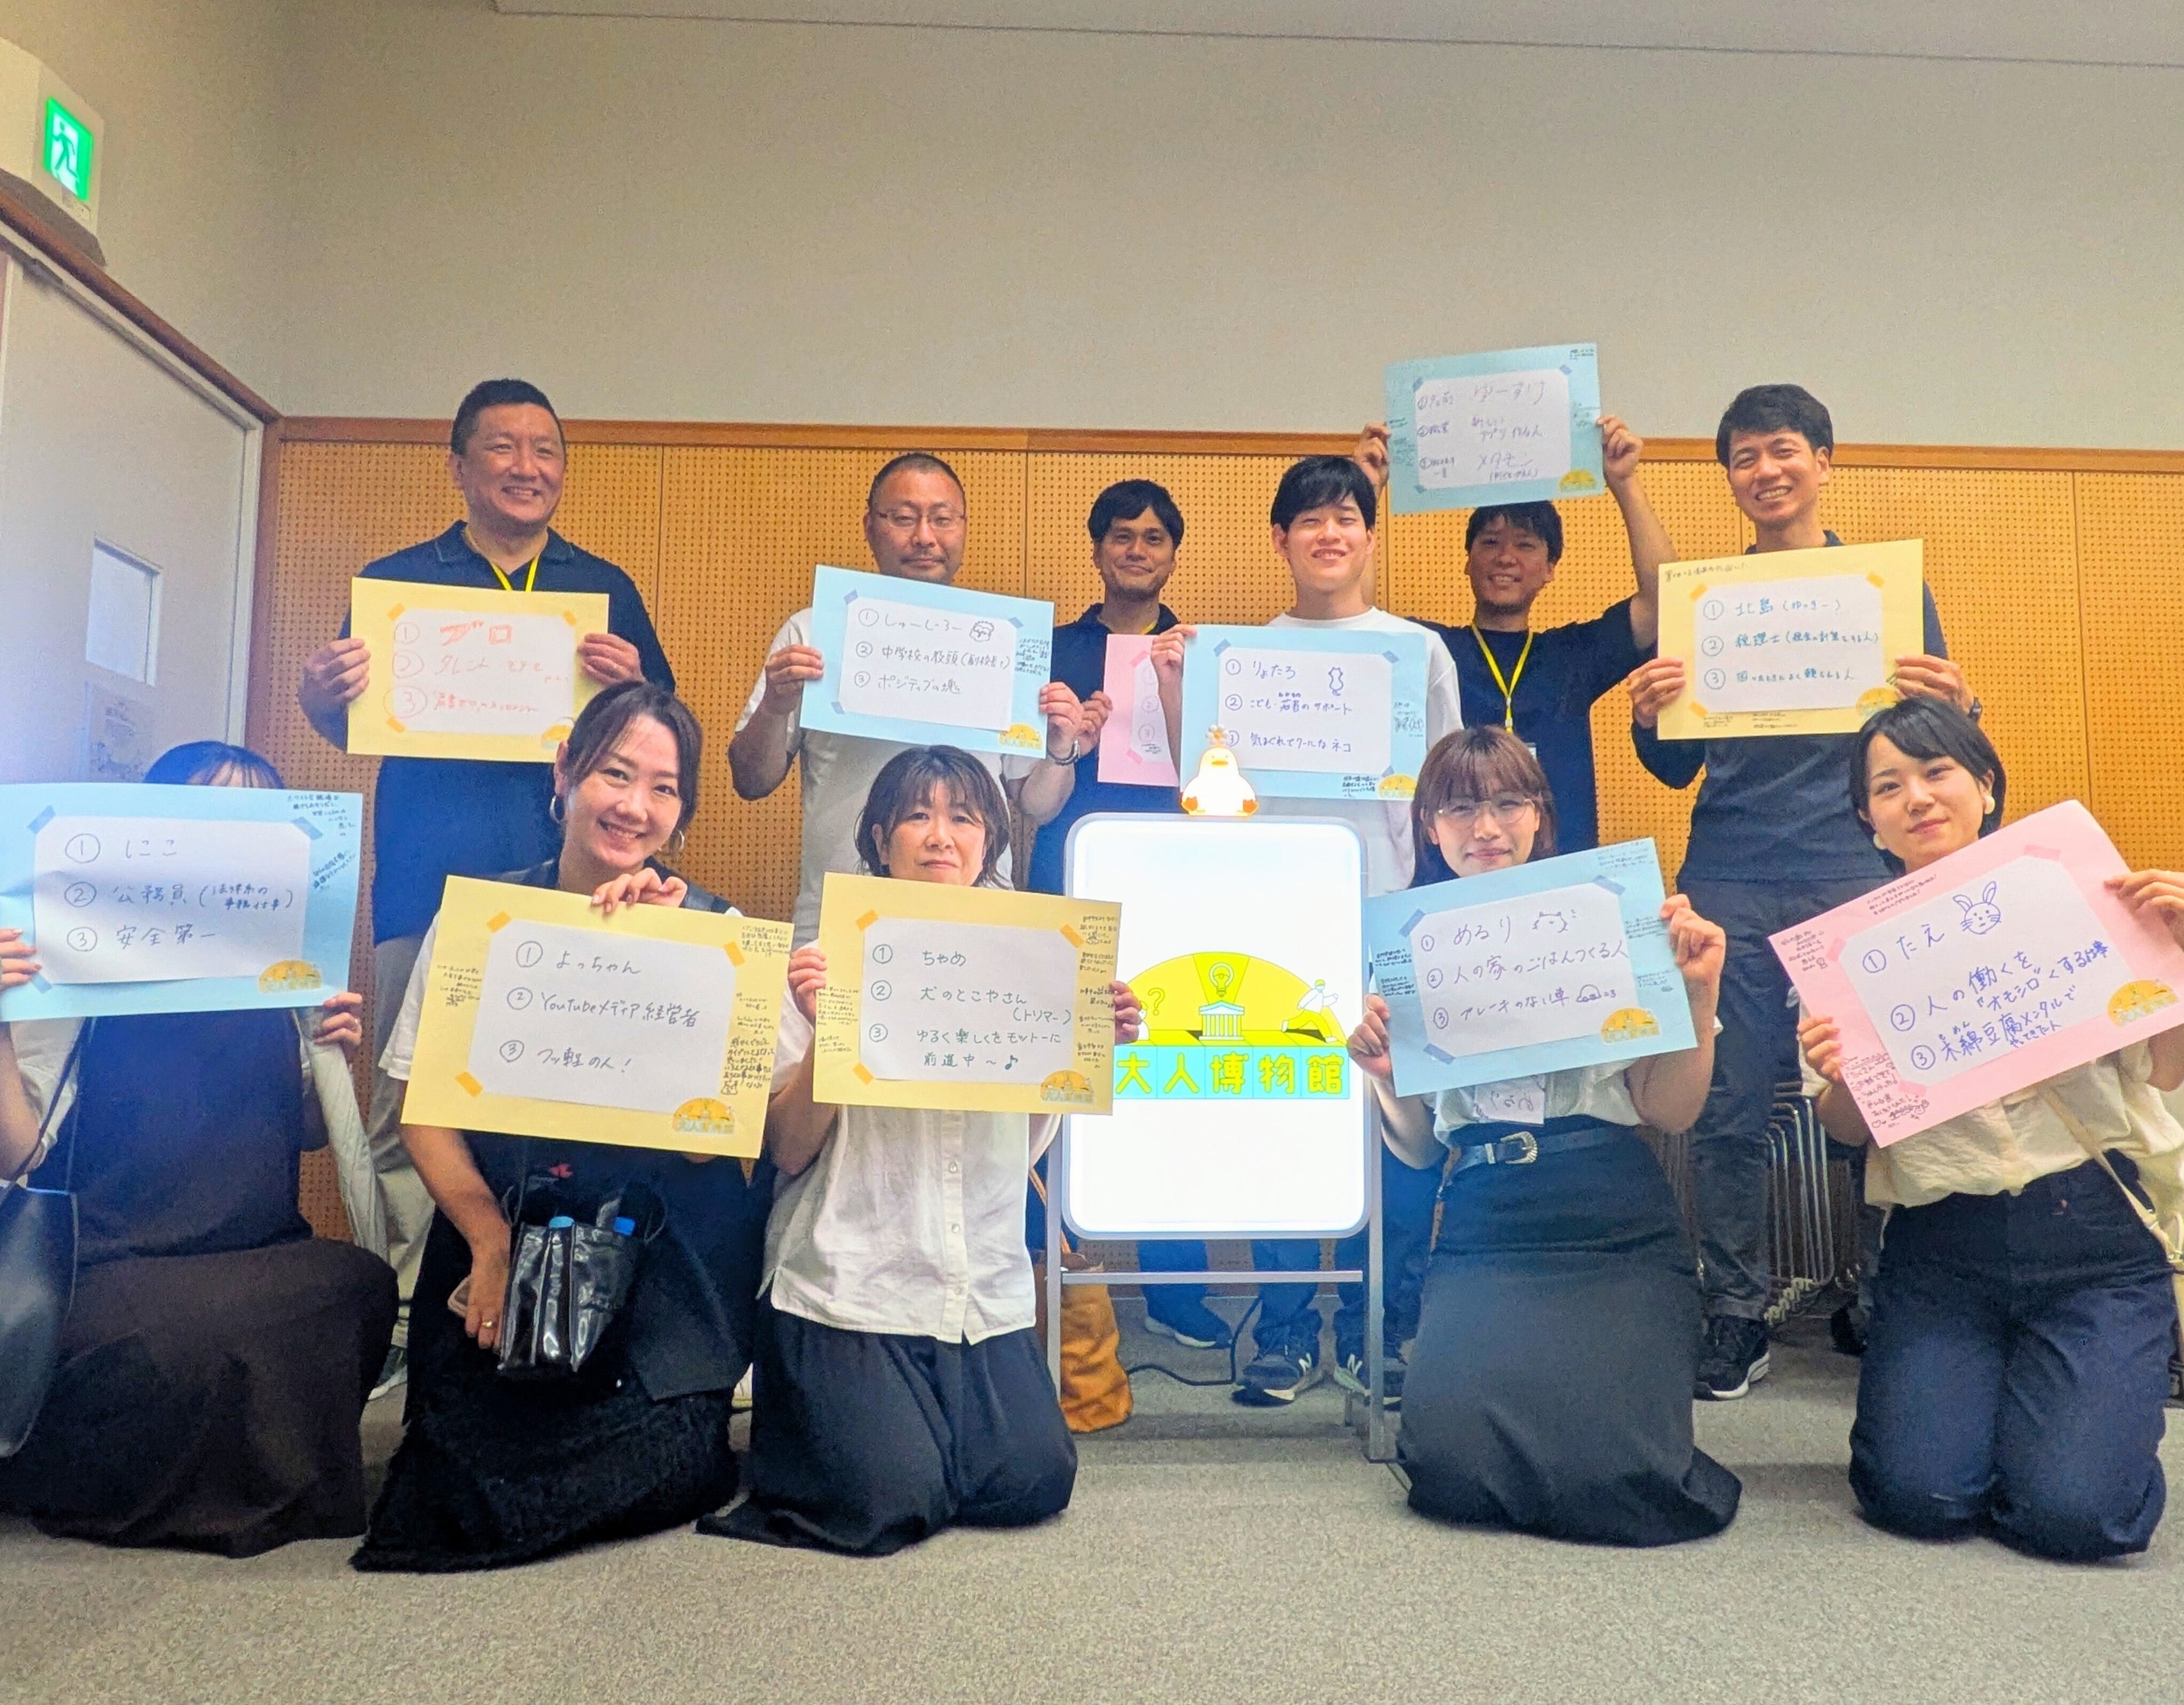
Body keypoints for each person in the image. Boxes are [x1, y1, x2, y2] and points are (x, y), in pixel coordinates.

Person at [295, 377, 676, 1397]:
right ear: (459, 464)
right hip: (428, 885)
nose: (525, 467)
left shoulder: (602, 587)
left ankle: (561, 1306)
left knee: (561, 1098)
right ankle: (413, 1313)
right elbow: (351, 722)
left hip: (573, 893)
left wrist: (633, 680)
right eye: (502, 447)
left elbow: (656, 732)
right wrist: (318, 698)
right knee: (410, 1105)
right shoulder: (397, 584)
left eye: (545, 450)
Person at [354, 681, 765, 1572]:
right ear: (565, 773)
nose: (634, 804)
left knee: (660, 1462)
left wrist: (665, 969)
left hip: (657, 1261)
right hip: (506, 1231)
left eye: (663, 787)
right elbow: (426, 1112)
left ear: (683, 812)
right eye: (615, 773)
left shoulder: (715, 933)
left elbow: (711, 1144)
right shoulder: (480, 919)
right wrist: (488, 1239)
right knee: (444, 1489)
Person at [1624, 384, 1974, 1400]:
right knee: (1728, 1103)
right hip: (1728, 872)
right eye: (1743, 458)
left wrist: (1962, 702)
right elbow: (1673, 770)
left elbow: (1931, 741)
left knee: (1877, 1088)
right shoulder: (1704, 603)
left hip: (1853, 870)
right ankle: (1736, 1309)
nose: (1764, 471)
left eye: (1782, 450)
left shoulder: (1883, 591)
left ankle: (1880, 1294)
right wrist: (1648, 716)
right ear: (1729, 478)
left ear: (1823, 462)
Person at [710, 746, 1143, 1556]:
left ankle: (911, 1432)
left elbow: (1019, 1152)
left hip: (975, 1284)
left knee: (1033, 1479)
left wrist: (1087, 1046)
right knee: (890, 1498)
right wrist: (832, 1033)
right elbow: (788, 1149)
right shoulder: (819, 962)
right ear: (880, 839)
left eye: (963, 818)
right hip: (848, 1280)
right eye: (917, 815)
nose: (940, 836)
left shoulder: (1033, 962)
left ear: (989, 844)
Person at [1798, 699, 2184, 1560]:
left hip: (2091, 1242)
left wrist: (2178, 956)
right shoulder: (1849, 955)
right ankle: (2016, 1408)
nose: (1916, 797)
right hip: (1942, 1252)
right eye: (1887, 786)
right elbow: (1846, 1127)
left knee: (2075, 1516)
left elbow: (2165, 1070)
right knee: (1918, 1498)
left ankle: (2066, 1414)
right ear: (1866, 817)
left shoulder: (2081, 899)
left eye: (1936, 772)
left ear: (1984, 784)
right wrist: (1845, 1076)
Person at [0, 742, 398, 1557]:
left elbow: (303, 1132)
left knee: (358, 1283)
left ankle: (254, 1481)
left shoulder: (281, 975)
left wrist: (334, 1058)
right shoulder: (71, 971)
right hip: (104, 1262)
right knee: (188, 1335)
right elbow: (17, 1151)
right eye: (207, 816)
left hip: (254, 1246)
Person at [1346, 726, 1740, 1543]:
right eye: (1460, 808)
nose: (1486, 827)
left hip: (1613, 1218)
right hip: (1487, 1218)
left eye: (1506, 803)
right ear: (1429, 827)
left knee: (1625, 1482)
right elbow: (1419, 1148)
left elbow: (1668, 1110)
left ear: (1540, 816)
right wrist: (1383, 1074)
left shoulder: (1615, 923)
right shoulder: (1409, 953)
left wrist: (1697, 1000)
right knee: (1448, 1468)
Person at [1150, 455, 1463, 1406]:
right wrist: (1176, 689)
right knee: (1282, 1127)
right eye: (1310, 519)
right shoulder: (1239, 655)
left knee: (1401, 1140)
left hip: (1388, 922)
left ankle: (1383, 1329)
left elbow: (1448, 795)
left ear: (1369, 535)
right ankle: (1284, 1332)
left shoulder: (1417, 652)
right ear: (1280, 540)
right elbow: (1203, 795)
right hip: (1272, 925)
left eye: (1346, 517)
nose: (1330, 533)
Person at [728, 451, 1101, 948]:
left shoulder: (1003, 641)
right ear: (870, 527)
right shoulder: (814, 631)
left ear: (963, 528)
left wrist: (1058, 749)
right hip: (843, 921)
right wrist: (775, 707)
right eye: (904, 518)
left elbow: (1037, 805)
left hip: (978, 920)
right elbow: (751, 780)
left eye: (942, 519)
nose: (924, 536)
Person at [1024, 479, 1227, 1350]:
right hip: (1065, 880)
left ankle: (1175, 1288)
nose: (1137, 550)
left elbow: (1219, 786)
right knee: (1052, 1076)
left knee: (1162, 1076)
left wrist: (1181, 691)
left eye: (1153, 537)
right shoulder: (1052, 650)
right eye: (1121, 535)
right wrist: (1065, 736)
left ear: (1173, 553)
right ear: (1097, 548)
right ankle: (1042, 1271)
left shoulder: (1203, 652)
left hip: (1171, 883)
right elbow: (1022, 787)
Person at [1353, 415, 1669, 852]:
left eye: (1524, 545)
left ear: (1549, 568)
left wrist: (1624, 481)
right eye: (1489, 542)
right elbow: (1356, 618)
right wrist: (1366, 490)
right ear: (1467, 561)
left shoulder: (1573, 655)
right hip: (1459, 866)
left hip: (1560, 867)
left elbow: (1664, 597)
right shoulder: (1432, 649)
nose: (1505, 557)